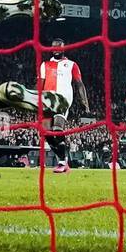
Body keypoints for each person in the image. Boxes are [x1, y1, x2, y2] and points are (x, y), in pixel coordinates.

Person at [37, 38, 89, 173]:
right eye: (53, 47)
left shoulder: (71, 64)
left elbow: (79, 84)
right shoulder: (45, 65)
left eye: (58, 47)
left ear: (63, 48)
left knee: (57, 128)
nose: (55, 49)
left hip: (62, 101)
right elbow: (40, 85)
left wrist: (85, 102)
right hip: (47, 102)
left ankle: (61, 162)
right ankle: (63, 159)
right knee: (46, 132)